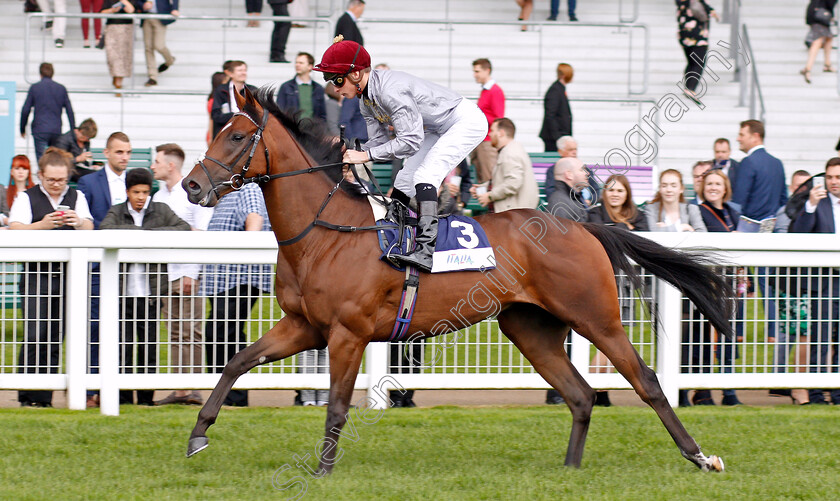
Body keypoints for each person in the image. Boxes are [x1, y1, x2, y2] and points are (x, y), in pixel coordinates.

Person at [313, 39, 487, 272]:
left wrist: (365, 156)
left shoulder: (389, 90)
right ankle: (398, 237)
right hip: (437, 127)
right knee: (403, 180)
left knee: (425, 176)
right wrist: (352, 151)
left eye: (337, 79)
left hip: (465, 121)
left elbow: (410, 141)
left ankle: (426, 251)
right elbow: (380, 144)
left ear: (355, 74)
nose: (335, 88)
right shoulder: (366, 100)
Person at [8, 147, 94, 407]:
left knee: (56, 334)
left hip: (69, 275)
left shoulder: (76, 195)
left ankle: (45, 396)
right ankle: (28, 394)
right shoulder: (26, 197)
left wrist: (78, 222)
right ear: (40, 175)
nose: (57, 185)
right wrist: (42, 225)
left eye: (62, 180)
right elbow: (14, 229)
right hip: (36, 274)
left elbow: (90, 226)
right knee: (35, 333)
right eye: (51, 180)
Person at [101, 168, 190, 405]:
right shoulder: (117, 211)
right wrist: (141, 234)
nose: (141, 197)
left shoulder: (160, 210)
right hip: (123, 294)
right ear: (127, 191)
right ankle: (122, 398)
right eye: (136, 192)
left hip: (151, 295)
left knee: (149, 348)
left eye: (145, 192)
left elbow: (183, 228)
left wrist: (148, 234)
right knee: (123, 347)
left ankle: (144, 399)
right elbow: (105, 230)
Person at [150, 143, 213, 405]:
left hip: (188, 273)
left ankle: (193, 388)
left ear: (171, 165)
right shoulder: (157, 198)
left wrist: (192, 273)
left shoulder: (192, 193)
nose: (153, 166)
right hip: (165, 275)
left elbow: (203, 234)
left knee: (192, 332)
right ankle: (180, 390)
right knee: (175, 333)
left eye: (157, 161)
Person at [200, 183, 273, 407]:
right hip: (222, 279)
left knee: (224, 332)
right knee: (219, 332)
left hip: (239, 277)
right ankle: (224, 394)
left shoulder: (247, 187)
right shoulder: (226, 192)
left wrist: (246, 257)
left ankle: (233, 396)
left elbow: (255, 219)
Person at [76, 131, 132, 408]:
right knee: (95, 328)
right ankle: (89, 390)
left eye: (128, 152)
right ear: (106, 153)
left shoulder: (136, 183)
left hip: (129, 269)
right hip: (97, 266)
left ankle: (119, 390)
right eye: (120, 152)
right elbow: (85, 220)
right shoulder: (87, 182)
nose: (124, 157)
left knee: (126, 328)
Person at [585, 174, 648, 407]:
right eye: (611, 190)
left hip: (625, 284)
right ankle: (592, 389)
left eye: (620, 190)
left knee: (615, 338)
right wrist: (623, 228)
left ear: (627, 194)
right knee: (605, 338)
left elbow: (640, 241)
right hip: (598, 283)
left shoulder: (638, 217)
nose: (615, 194)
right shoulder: (594, 214)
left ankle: (601, 392)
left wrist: (619, 228)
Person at [646, 169, 706, 407]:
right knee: (666, 336)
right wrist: (681, 230)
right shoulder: (651, 209)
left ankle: (681, 390)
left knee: (686, 337)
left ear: (681, 188)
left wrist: (669, 229)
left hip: (685, 284)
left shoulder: (691, 210)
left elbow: (702, 233)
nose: (669, 189)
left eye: (673, 185)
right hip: (659, 283)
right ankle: (663, 387)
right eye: (665, 185)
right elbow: (651, 235)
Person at [790, 157, 840, 405]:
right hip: (825, 281)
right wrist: (810, 205)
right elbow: (798, 233)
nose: (834, 182)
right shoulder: (816, 203)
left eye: (838, 177)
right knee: (821, 336)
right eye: (830, 177)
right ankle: (818, 392)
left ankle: (838, 393)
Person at [696, 169, 743, 405]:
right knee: (704, 337)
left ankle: (729, 391)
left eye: (718, 183)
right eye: (709, 183)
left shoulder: (733, 212)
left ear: (725, 188)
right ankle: (702, 390)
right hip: (709, 281)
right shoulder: (700, 212)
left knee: (728, 336)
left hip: (732, 281)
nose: (713, 187)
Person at [469, 117, 539, 212]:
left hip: (513, 217)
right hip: (513, 213)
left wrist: (490, 196)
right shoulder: (510, 150)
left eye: (492, 130)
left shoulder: (510, 153)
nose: (490, 134)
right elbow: (504, 180)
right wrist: (484, 187)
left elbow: (513, 183)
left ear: (501, 133)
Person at [19, 62, 75, 162]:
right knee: (54, 160)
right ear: (52, 73)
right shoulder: (61, 89)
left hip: (40, 129)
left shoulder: (35, 88)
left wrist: (22, 128)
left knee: (41, 160)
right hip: (56, 129)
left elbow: (25, 110)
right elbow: (69, 111)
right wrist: (72, 129)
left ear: (40, 74)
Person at [675, 0, 720, 102]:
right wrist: (711, 11)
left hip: (684, 34)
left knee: (692, 62)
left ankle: (688, 86)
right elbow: (703, 8)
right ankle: (690, 88)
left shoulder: (682, 3)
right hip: (697, 35)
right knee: (699, 62)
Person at [470, 58, 505, 184]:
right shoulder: (486, 90)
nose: (475, 75)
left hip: (488, 142)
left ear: (487, 70)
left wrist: (478, 116)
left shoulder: (494, 91)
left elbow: (498, 118)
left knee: (488, 179)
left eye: (477, 71)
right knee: (482, 179)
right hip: (482, 140)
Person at [101, 0, 143, 91]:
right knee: (112, 56)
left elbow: (131, 10)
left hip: (126, 29)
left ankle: (119, 83)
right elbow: (102, 12)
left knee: (123, 57)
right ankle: (116, 77)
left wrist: (123, 1)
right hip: (112, 27)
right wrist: (112, 10)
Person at [211, 60, 258, 138]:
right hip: (225, 134)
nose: (243, 73)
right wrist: (236, 116)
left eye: (245, 70)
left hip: (247, 134)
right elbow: (216, 115)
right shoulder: (221, 90)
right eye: (240, 70)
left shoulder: (252, 90)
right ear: (230, 73)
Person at [276, 52, 327, 122]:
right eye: (296, 62)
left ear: (310, 66)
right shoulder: (286, 87)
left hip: (312, 130)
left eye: (301, 63)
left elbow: (322, 115)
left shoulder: (318, 88)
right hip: (292, 130)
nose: (297, 65)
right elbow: (279, 111)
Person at [141, 0, 179, 87]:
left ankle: (169, 60)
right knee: (148, 48)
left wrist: (175, 8)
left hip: (160, 15)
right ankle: (152, 76)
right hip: (146, 16)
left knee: (159, 46)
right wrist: (142, 5)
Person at [539, 63, 573, 152]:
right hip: (554, 139)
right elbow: (550, 115)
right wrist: (558, 137)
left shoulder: (560, 90)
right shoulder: (555, 91)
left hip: (559, 137)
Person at [800, 0, 837, 83]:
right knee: (817, 41)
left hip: (817, 14)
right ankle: (808, 69)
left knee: (828, 38)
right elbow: (830, 3)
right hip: (820, 16)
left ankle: (827, 64)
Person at [547, 157, 589, 221]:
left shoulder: (572, 198)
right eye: (581, 170)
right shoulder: (560, 204)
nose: (587, 173)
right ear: (569, 175)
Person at [3, 155, 37, 226]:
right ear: (11, 171)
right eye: (17, 168)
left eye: (24, 168)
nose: (20, 172)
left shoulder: (36, 192)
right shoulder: (4, 192)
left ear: (28, 172)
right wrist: (5, 220)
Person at [543, 135, 578, 200]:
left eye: (575, 149)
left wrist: (590, 200)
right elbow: (550, 192)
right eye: (570, 150)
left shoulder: (584, 170)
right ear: (560, 152)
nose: (574, 152)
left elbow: (595, 189)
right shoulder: (553, 170)